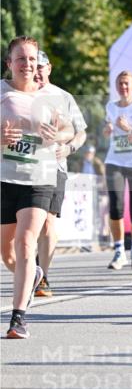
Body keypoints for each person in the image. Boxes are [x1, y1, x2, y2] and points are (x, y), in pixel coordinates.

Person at [1, 37, 72, 338]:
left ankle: (19, 317)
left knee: (26, 241)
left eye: (31, 59)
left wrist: (57, 135)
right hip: (5, 177)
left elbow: (69, 129)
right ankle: (32, 275)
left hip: (40, 178)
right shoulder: (2, 92)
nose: (27, 64)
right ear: (9, 63)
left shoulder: (51, 96)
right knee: (6, 252)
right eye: (21, 59)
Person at [33, 50, 87, 296]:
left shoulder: (63, 97)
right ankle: (28, 267)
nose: (37, 72)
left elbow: (81, 132)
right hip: (18, 168)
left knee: (47, 221)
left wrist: (68, 147)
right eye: (34, 67)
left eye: (41, 67)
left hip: (53, 166)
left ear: (49, 68)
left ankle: (42, 275)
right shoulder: (17, 94)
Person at [103, 70, 132, 272]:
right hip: (114, 161)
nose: (123, 87)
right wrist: (108, 130)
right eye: (120, 84)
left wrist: (127, 127)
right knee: (116, 207)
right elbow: (107, 129)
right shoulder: (111, 106)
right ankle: (119, 251)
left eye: (127, 84)